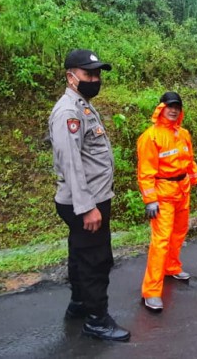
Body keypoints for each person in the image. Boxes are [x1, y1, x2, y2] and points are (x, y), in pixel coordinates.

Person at [49, 49, 130, 342]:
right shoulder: (68, 112)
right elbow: (71, 162)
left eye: (97, 74)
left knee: (80, 253)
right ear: (71, 77)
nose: (95, 79)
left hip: (91, 198)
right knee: (96, 260)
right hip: (86, 202)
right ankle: (97, 319)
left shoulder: (82, 105)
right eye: (88, 74)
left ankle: (80, 304)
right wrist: (87, 208)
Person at [137, 91, 197, 311]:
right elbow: (145, 172)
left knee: (179, 233)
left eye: (177, 106)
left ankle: (172, 266)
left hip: (182, 190)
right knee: (161, 241)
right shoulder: (151, 137)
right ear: (161, 108)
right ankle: (152, 291)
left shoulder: (183, 134)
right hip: (163, 194)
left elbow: (189, 161)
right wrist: (150, 200)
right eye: (170, 106)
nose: (174, 110)